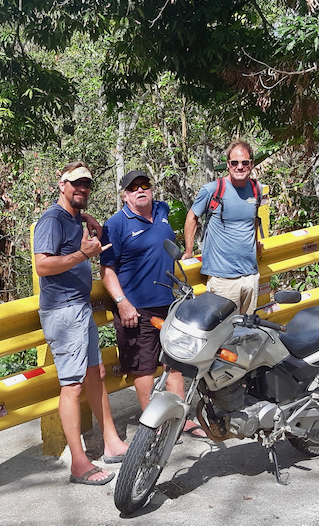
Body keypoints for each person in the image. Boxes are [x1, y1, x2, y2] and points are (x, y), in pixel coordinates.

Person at [32, 161, 129, 486]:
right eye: (76, 183)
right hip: (63, 312)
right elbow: (42, 266)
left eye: (87, 184)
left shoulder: (75, 219)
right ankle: (78, 462)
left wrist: (89, 222)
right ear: (62, 185)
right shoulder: (52, 219)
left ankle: (112, 442)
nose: (82, 189)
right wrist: (81, 256)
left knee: (95, 374)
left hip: (80, 309)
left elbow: (92, 240)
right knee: (72, 386)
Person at [100, 170, 206, 437]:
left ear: (152, 189)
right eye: (133, 187)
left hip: (169, 303)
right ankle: (154, 427)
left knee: (175, 362)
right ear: (124, 195)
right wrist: (122, 303)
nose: (140, 190)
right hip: (136, 308)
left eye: (144, 185)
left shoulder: (161, 210)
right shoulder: (115, 225)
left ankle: (181, 420)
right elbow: (107, 270)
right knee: (144, 368)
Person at [183, 140, 265, 315]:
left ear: (252, 164)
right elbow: (192, 217)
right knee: (224, 336)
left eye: (244, 162)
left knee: (246, 333)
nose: (239, 167)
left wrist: (256, 242)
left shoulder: (257, 189)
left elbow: (253, 219)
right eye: (234, 163)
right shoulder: (213, 190)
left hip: (250, 276)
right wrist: (189, 251)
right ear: (228, 165)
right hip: (223, 280)